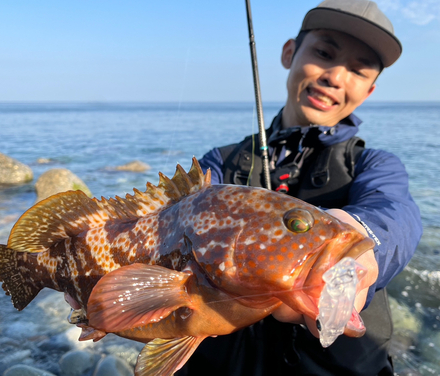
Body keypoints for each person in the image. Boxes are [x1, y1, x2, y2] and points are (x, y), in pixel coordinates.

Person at [176, 1, 422, 375]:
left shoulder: (375, 165)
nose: (335, 77)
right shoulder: (219, 164)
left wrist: (364, 243)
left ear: (369, 91)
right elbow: (171, 227)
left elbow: (395, 213)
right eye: (324, 53)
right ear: (290, 52)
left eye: (357, 70)